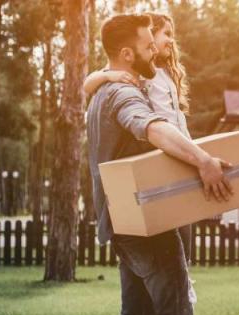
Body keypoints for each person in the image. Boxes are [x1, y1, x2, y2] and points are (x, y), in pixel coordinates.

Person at [85, 14, 232, 315]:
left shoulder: (102, 93)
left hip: (121, 221)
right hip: (146, 224)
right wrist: (203, 160)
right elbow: (152, 127)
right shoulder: (122, 94)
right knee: (176, 313)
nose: (157, 50)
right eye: (149, 45)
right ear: (127, 53)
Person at [84, 12, 195, 264]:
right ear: (148, 39)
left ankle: (184, 281)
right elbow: (88, 83)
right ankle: (181, 290)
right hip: (163, 155)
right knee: (170, 249)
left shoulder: (166, 75)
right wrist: (107, 76)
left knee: (183, 243)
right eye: (165, 34)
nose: (169, 41)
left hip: (181, 153)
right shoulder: (138, 70)